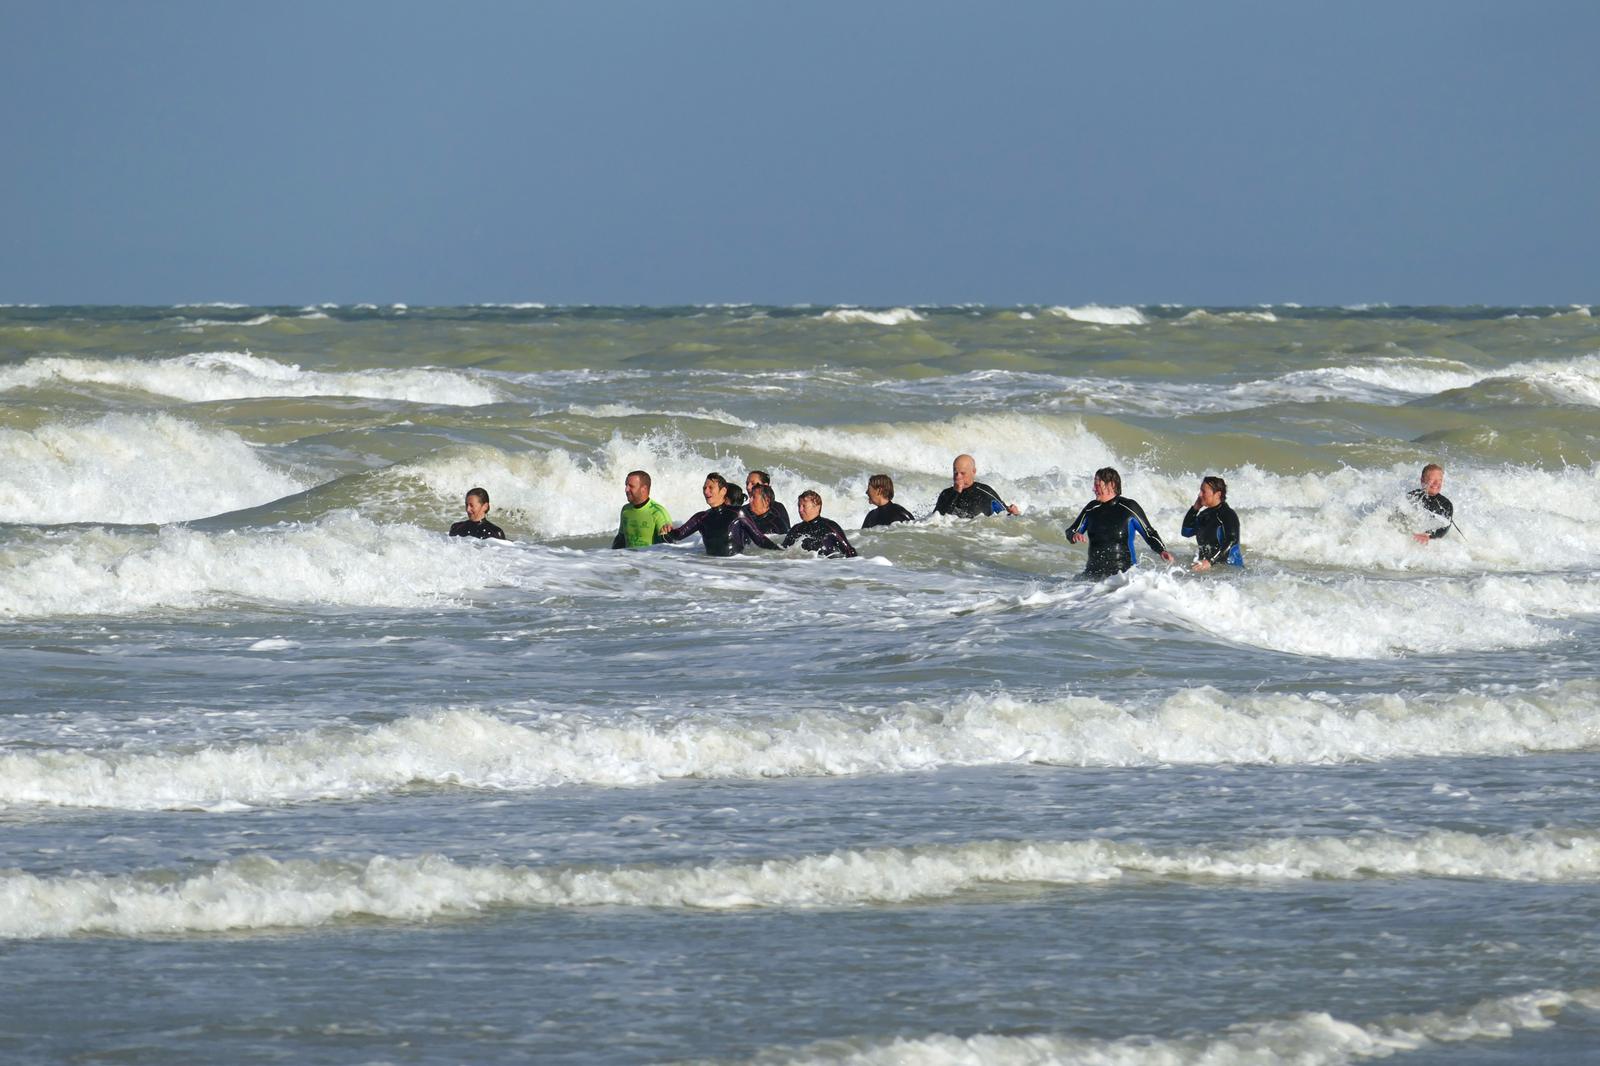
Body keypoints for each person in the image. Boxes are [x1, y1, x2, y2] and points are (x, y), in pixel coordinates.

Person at [1065, 467, 1173, 577]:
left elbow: (1149, 533)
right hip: (1093, 578)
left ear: (1111, 485)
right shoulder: (1091, 508)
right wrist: (1074, 535)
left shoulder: (1129, 507)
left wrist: (1162, 550)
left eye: (1097, 485)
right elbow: (1070, 531)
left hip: (1124, 578)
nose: (1093, 489)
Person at [662, 472, 780, 557]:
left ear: (723, 491)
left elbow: (760, 539)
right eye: (704, 488)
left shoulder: (737, 513)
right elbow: (678, 535)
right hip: (711, 570)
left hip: (735, 568)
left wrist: (782, 553)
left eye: (710, 488)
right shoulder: (701, 518)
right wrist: (668, 530)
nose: (706, 491)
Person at [1179, 475, 1243, 570]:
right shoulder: (1203, 515)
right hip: (1209, 567)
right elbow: (1186, 532)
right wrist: (1195, 508)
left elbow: (1232, 541)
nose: (1199, 494)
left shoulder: (1228, 514)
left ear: (1218, 494)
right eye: (1200, 491)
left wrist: (1210, 561)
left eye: (1203, 491)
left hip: (1230, 570)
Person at [934, 454, 1020, 518]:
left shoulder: (985, 491)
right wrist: (956, 493)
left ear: (973, 472)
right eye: (955, 473)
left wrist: (1014, 514)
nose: (958, 477)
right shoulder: (946, 494)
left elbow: (1004, 515)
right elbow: (936, 519)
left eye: (963, 473)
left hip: (977, 538)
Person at [783, 490, 858, 558]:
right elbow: (782, 552)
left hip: (824, 570)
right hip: (802, 571)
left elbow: (850, 552)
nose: (800, 510)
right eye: (799, 506)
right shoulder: (795, 529)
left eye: (804, 506)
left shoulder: (830, 527)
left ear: (817, 507)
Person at [611, 469, 671, 549]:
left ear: (644, 489)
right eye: (626, 485)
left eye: (631, 486)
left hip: (648, 560)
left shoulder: (657, 512)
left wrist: (669, 533)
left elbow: (668, 548)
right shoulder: (625, 510)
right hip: (627, 560)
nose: (626, 489)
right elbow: (620, 540)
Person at [1408, 463, 1455, 544]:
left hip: (1431, 542)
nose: (1437, 483)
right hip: (1410, 538)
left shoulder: (1446, 504)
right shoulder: (1412, 497)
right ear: (1422, 480)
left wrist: (1428, 534)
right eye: (1432, 479)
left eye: (1440, 480)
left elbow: (1445, 527)